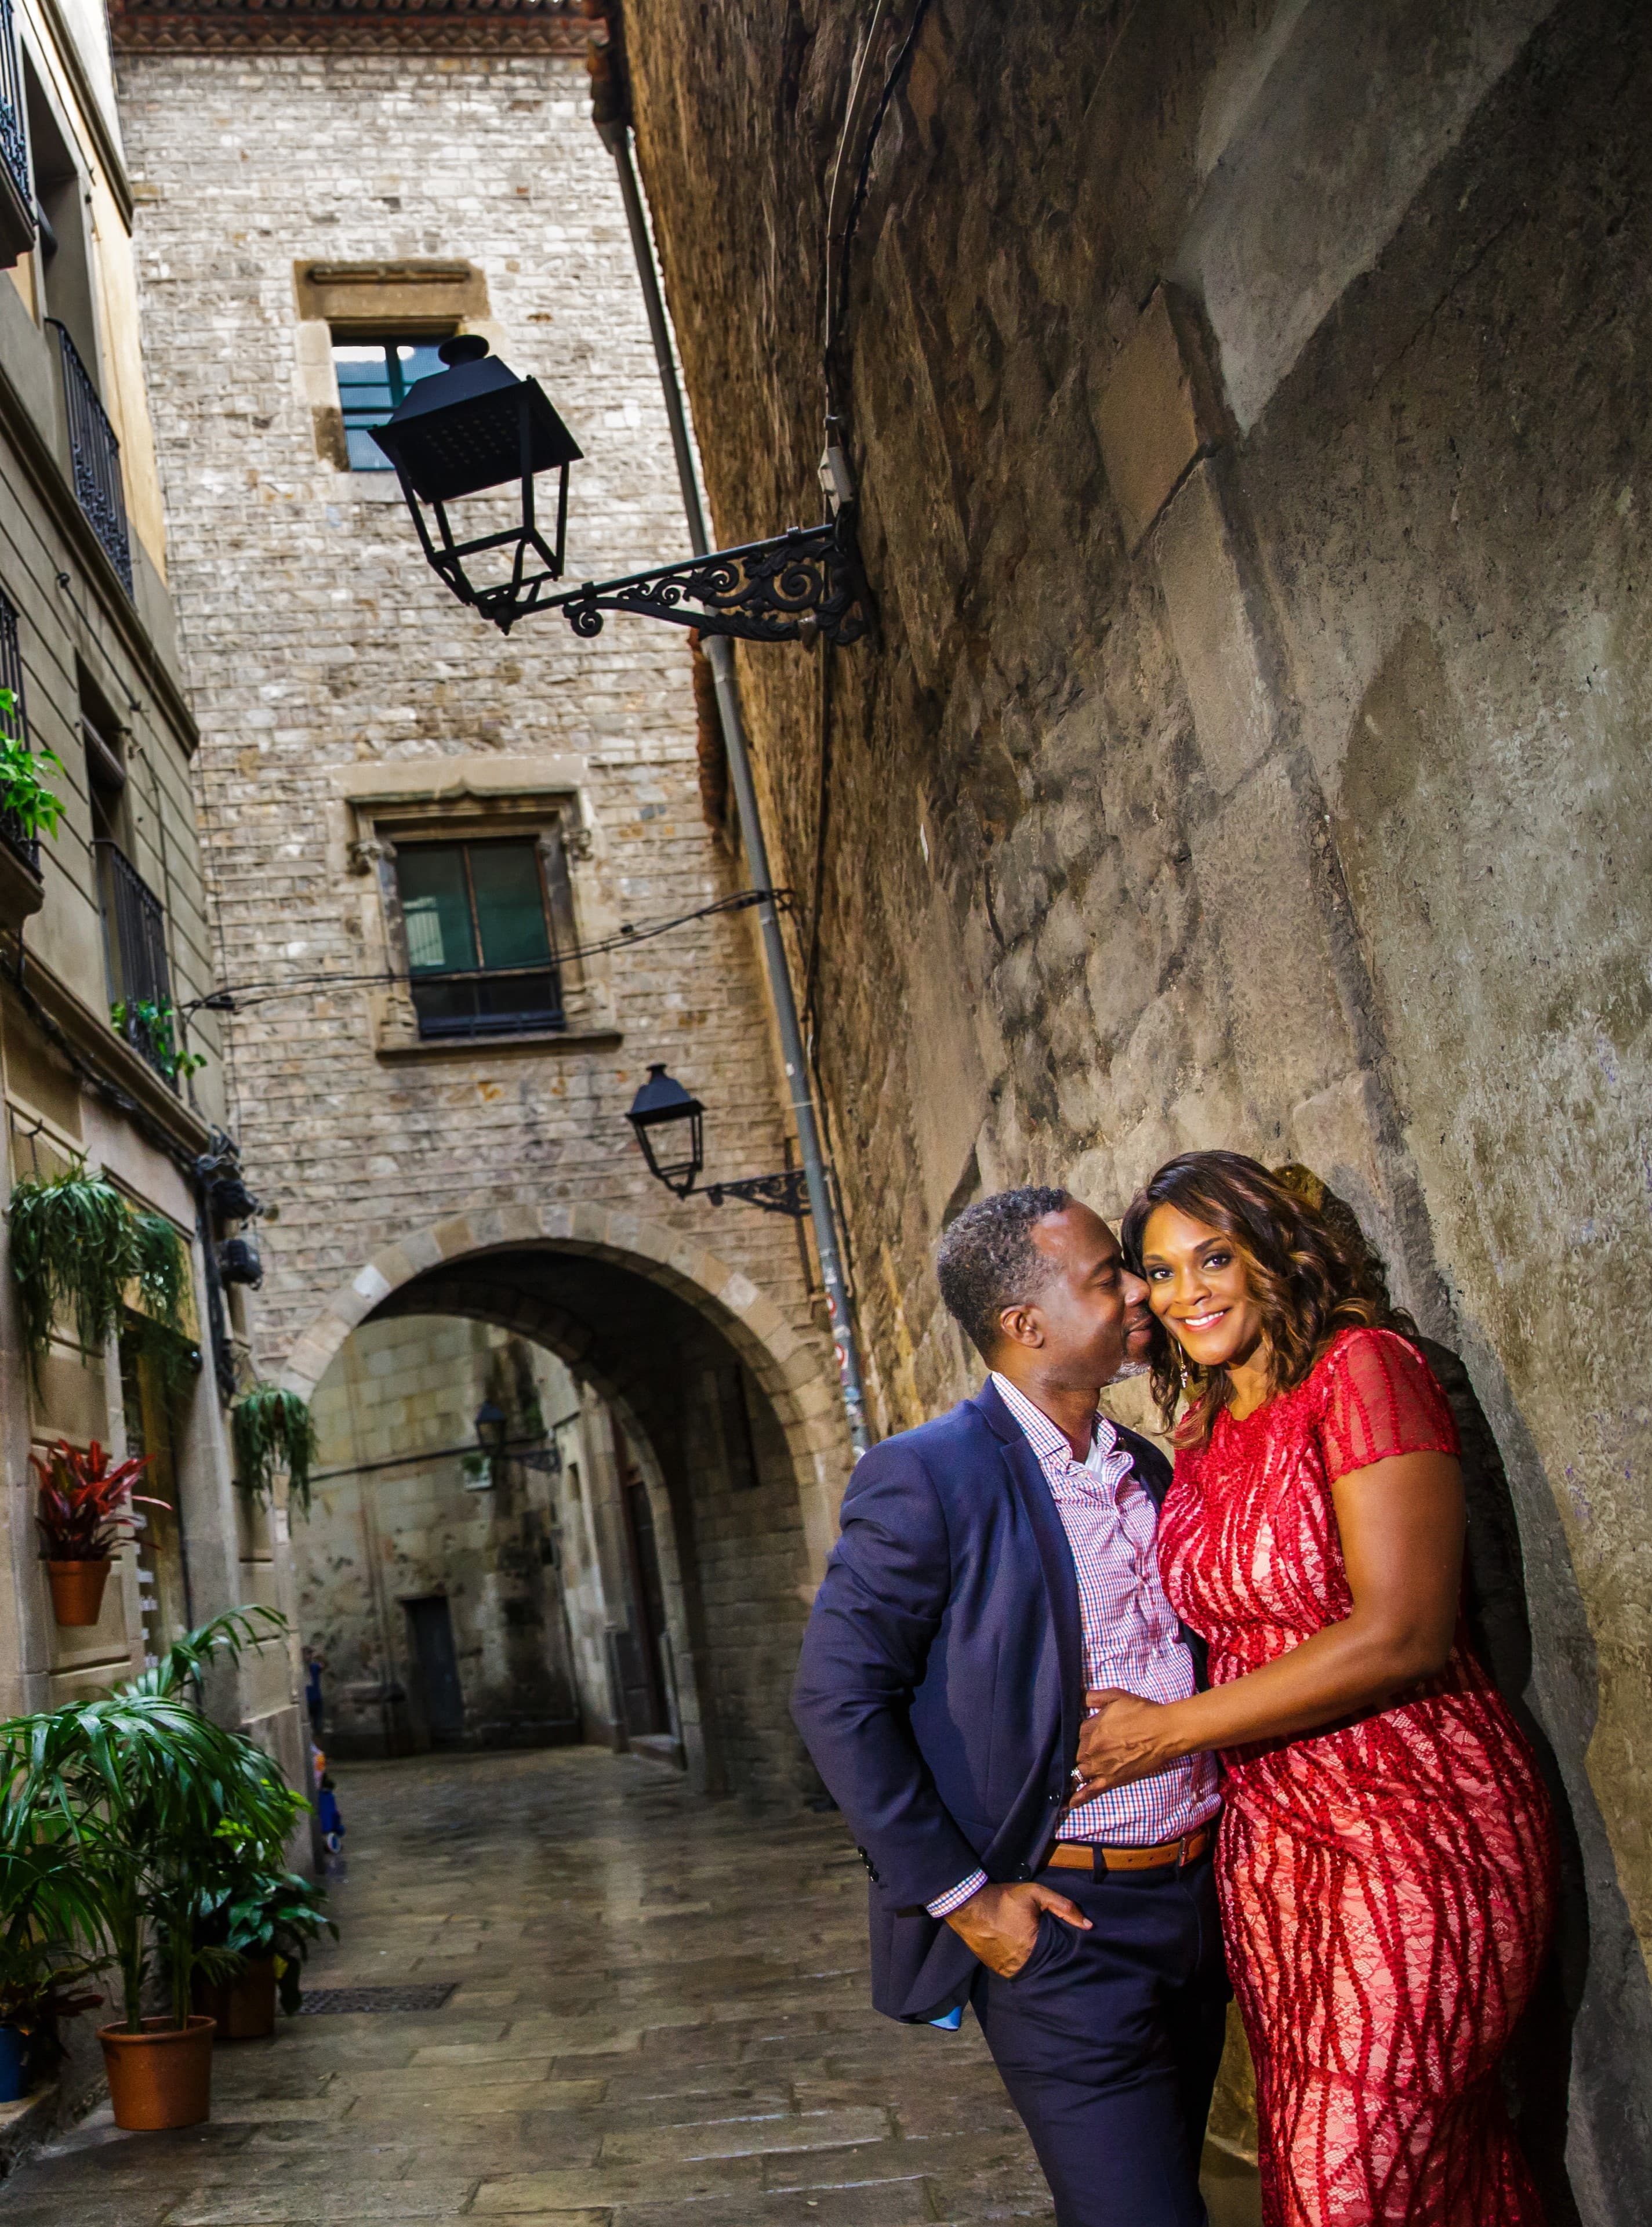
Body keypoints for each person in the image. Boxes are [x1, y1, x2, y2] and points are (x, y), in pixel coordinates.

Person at [1074, 1150, 1556, 2227]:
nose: (1185, 1292)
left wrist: (1169, 1733)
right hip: (1275, 1851)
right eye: (1161, 1271)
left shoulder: (1364, 1370)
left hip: (1417, 1821)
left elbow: (1402, 1633)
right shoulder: (1200, 1422)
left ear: (1274, 1253)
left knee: (1351, 2182)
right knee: (1402, 2176)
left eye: (1214, 1258)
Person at [793, 1188, 1230, 2227]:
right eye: (1107, 1278)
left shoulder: (1142, 1467)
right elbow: (835, 1696)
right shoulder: (927, 1475)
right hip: (1065, 1929)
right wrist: (967, 1900)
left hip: (1200, 1907)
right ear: (1026, 1324)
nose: (1140, 1294)